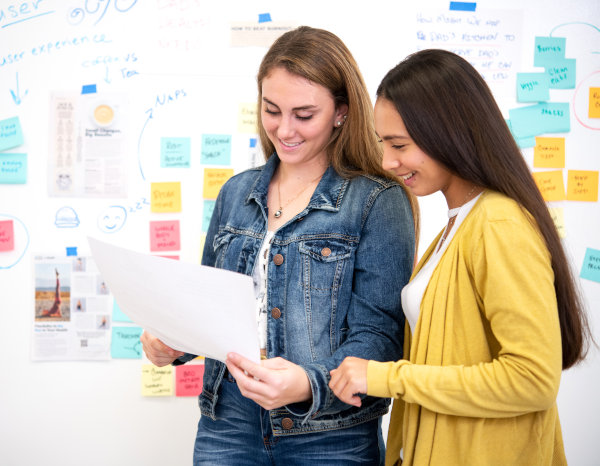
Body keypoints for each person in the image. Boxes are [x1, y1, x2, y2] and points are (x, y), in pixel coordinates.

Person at [141, 26, 417, 465]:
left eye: (304, 115)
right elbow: (210, 308)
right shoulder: (236, 192)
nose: (284, 129)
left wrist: (308, 383)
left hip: (330, 434)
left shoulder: (377, 201)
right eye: (272, 110)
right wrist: (173, 341)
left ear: (341, 112)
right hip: (228, 422)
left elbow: (381, 337)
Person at [329, 49, 592, 466]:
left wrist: (386, 376)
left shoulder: (497, 224)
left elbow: (533, 380)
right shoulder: (457, 225)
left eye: (399, 145)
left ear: (447, 134)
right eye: (384, 144)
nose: (387, 161)